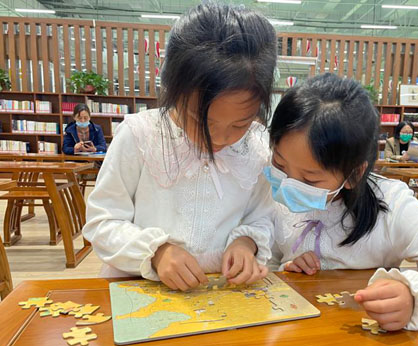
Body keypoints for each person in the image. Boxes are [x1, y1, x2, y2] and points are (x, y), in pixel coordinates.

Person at [265, 74, 418, 331]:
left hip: (365, 336)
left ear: (354, 174)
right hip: (295, 331)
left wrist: (414, 296)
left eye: (310, 179)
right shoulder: (270, 188)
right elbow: (269, 260)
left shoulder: (392, 204)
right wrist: (286, 268)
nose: (287, 184)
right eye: (279, 164)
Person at [83, 2, 277, 291]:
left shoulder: (257, 146)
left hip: (222, 292)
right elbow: (103, 222)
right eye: (201, 121)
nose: (219, 139)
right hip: (139, 286)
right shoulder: (140, 135)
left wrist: (246, 243)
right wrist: (157, 252)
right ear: (173, 90)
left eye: (240, 124)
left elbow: (263, 217)